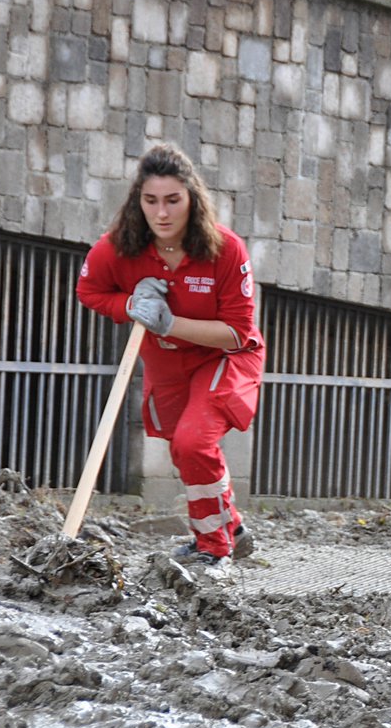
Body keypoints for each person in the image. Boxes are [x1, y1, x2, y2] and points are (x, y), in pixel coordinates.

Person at [76, 143, 265, 568]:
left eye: (173, 200)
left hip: (224, 358)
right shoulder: (118, 248)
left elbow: (236, 332)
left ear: (192, 200)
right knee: (184, 450)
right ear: (137, 202)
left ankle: (213, 549)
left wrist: (168, 322)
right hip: (167, 363)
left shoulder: (225, 250)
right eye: (151, 201)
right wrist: (128, 305)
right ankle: (231, 526)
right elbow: (89, 291)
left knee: (193, 441)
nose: (161, 213)